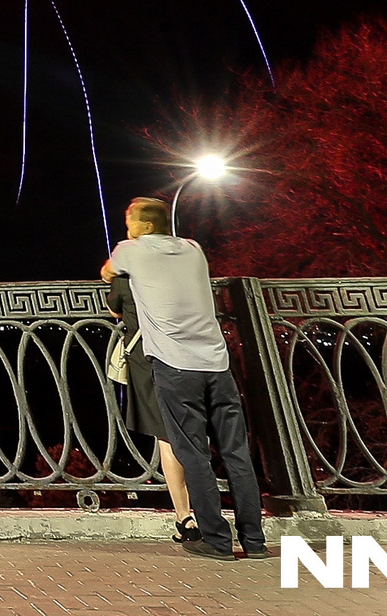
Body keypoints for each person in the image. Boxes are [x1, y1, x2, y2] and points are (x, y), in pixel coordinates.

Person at [99, 195, 265, 561]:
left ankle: (216, 541)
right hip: (218, 364)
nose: (126, 229)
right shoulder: (193, 249)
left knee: (194, 454)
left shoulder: (130, 250)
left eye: (129, 222)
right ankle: (254, 541)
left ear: (142, 226)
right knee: (237, 453)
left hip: (175, 367)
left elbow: (108, 272)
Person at [106, 269, 200, 544]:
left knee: (167, 435)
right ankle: (208, 510)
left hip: (148, 361)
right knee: (195, 431)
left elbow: (115, 309)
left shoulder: (126, 279)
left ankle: (186, 516)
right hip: (192, 355)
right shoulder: (182, 268)